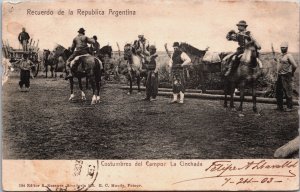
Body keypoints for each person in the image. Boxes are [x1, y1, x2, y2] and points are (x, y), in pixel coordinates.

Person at [274, 42, 298, 112]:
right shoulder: (280, 55)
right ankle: (279, 106)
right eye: (281, 47)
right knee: (278, 91)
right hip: (279, 75)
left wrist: (292, 72)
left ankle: (289, 107)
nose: (282, 48)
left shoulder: (289, 55)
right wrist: (276, 59)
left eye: (284, 47)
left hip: (286, 75)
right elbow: (279, 61)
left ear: (287, 48)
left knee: (288, 91)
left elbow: (295, 65)